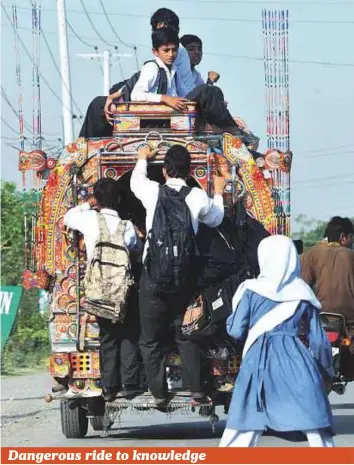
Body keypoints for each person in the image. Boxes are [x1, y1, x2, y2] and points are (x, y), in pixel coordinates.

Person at [130, 143, 226, 404]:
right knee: (187, 334)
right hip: (185, 280)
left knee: (149, 340)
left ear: (164, 172)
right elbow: (216, 219)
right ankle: (196, 389)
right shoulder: (196, 196)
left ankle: (160, 395)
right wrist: (217, 192)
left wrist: (141, 157)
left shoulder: (152, 192)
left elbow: (135, 181)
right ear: (190, 171)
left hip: (154, 279)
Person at [219, 235, 334, 447]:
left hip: (257, 362)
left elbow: (235, 331)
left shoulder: (250, 290)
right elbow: (318, 341)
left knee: (245, 425)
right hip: (296, 361)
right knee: (315, 427)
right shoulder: (302, 292)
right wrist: (326, 371)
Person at [64, 179, 143, 402]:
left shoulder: (89, 220)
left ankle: (109, 388)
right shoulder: (126, 226)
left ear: (97, 199)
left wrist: (88, 204)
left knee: (107, 336)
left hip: (98, 290)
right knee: (128, 333)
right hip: (122, 291)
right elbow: (136, 251)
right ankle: (130, 384)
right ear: (118, 199)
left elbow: (67, 217)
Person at [131, 27, 259, 147]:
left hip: (177, 111)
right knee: (205, 90)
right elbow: (136, 95)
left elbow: (186, 93)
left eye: (174, 50)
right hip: (161, 118)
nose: (171, 54)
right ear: (155, 52)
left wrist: (215, 103)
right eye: (166, 50)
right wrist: (165, 98)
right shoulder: (152, 68)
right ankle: (233, 131)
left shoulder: (173, 70)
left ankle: (229, 130)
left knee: (213, 91)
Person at [301, 216, 354, 328]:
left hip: (320, 318)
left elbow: (303, 286)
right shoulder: (351, 255)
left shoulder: (311, 254)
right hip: (350, 321)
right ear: (343, 237)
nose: (352, 241)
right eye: (351, 237)